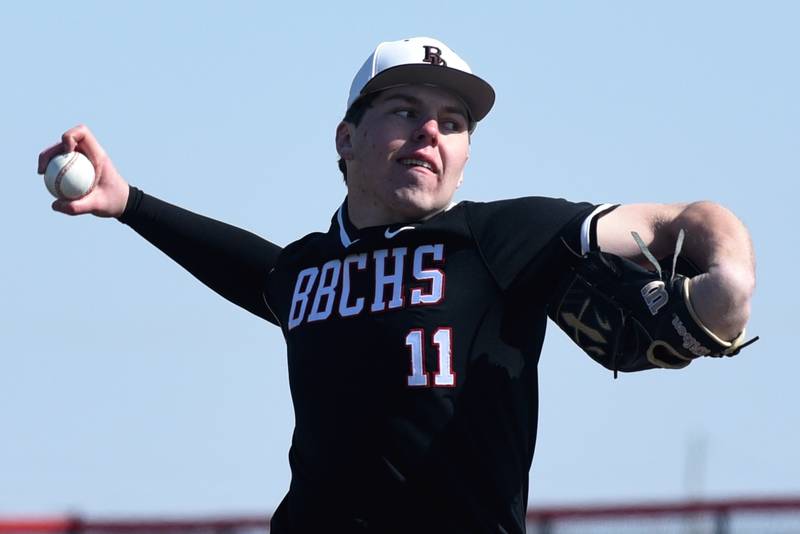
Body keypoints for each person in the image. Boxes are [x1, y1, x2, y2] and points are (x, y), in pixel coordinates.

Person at [38, 37, 755, 533]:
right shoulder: (309, 270)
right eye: (405, 111)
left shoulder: (501, 239)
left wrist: (729, 276)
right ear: (346, 139)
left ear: (468, 155)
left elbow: (683, 218)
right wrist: (128, 202)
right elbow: (247, 267)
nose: (430, 134)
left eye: (452, 122)